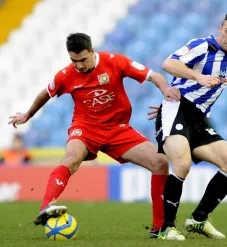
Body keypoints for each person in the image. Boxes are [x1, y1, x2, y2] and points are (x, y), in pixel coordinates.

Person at [8, 33, 181, 238]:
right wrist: (28, 114)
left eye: (82, 60)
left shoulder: (115, 62)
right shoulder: (65, 75)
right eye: (74, 60)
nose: (79, 66)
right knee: (71, 159)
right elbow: (46, 93)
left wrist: (165, 89)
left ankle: (158, 228)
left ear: (92, 51)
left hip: (118, 129)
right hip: (86, 128)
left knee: (160, 162)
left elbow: (155, 76)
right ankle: (46, 207)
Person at [148, 6, 227, 240]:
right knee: (182, 164)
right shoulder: (203, 45)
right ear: (220, 28)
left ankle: (199, 218)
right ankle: (166, 228)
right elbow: (169, 64)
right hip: (178, 109)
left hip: (197, 118)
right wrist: (197, 77)